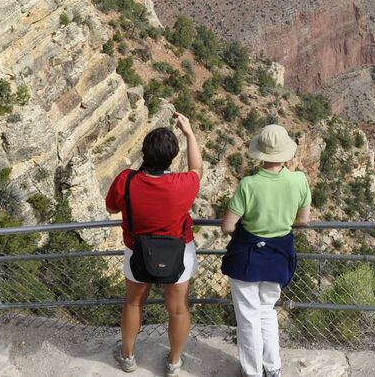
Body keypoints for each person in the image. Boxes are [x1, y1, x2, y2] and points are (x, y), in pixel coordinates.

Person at [105, 112, 202, 375]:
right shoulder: (183, 184)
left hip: (137, 250)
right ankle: (174, 362)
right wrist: (190, 133)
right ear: (172, 157)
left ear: (145, 153)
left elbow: (111, 208)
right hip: (179, 251)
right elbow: (197, 169)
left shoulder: (126, 180)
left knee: (134, 303)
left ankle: (127, 357)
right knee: (178, 309)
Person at [220, 124, 313, 377]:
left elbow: (228, 226)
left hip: (247, 258)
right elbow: (303, 220)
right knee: (267, 312)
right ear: (286, 154)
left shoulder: (248, 184)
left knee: (248, 316)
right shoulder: (299, 180)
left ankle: (252, 372)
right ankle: (273, 368)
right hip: (278, 256)